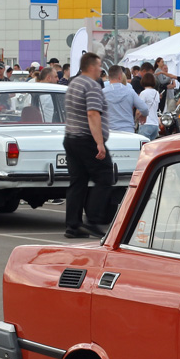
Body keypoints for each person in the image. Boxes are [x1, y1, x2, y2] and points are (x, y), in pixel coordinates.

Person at [62, 52, 112, 239]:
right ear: (91, 67)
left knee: (78, 181)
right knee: (105, 176)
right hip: (86, 139)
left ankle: (73, 225)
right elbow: (92, 114)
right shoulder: (92, 86)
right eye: (99, 66)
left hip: (71, 137)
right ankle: (94, 219)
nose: (100, 69)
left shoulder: (74, 83)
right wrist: (99, 143)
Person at [104, 67, 148, 134]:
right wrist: (144, 115)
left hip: (109, 130)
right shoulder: (130, 91)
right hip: (127, 130)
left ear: (109, 77)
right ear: (120, 76)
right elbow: (144, 108)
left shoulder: (103, 92)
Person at [138, 73, 161, 139]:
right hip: (155, 124)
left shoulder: (143, 93)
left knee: (143, 146)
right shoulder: (157, 93)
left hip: (146, 123)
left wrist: (136, 118)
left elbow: (140, 109)